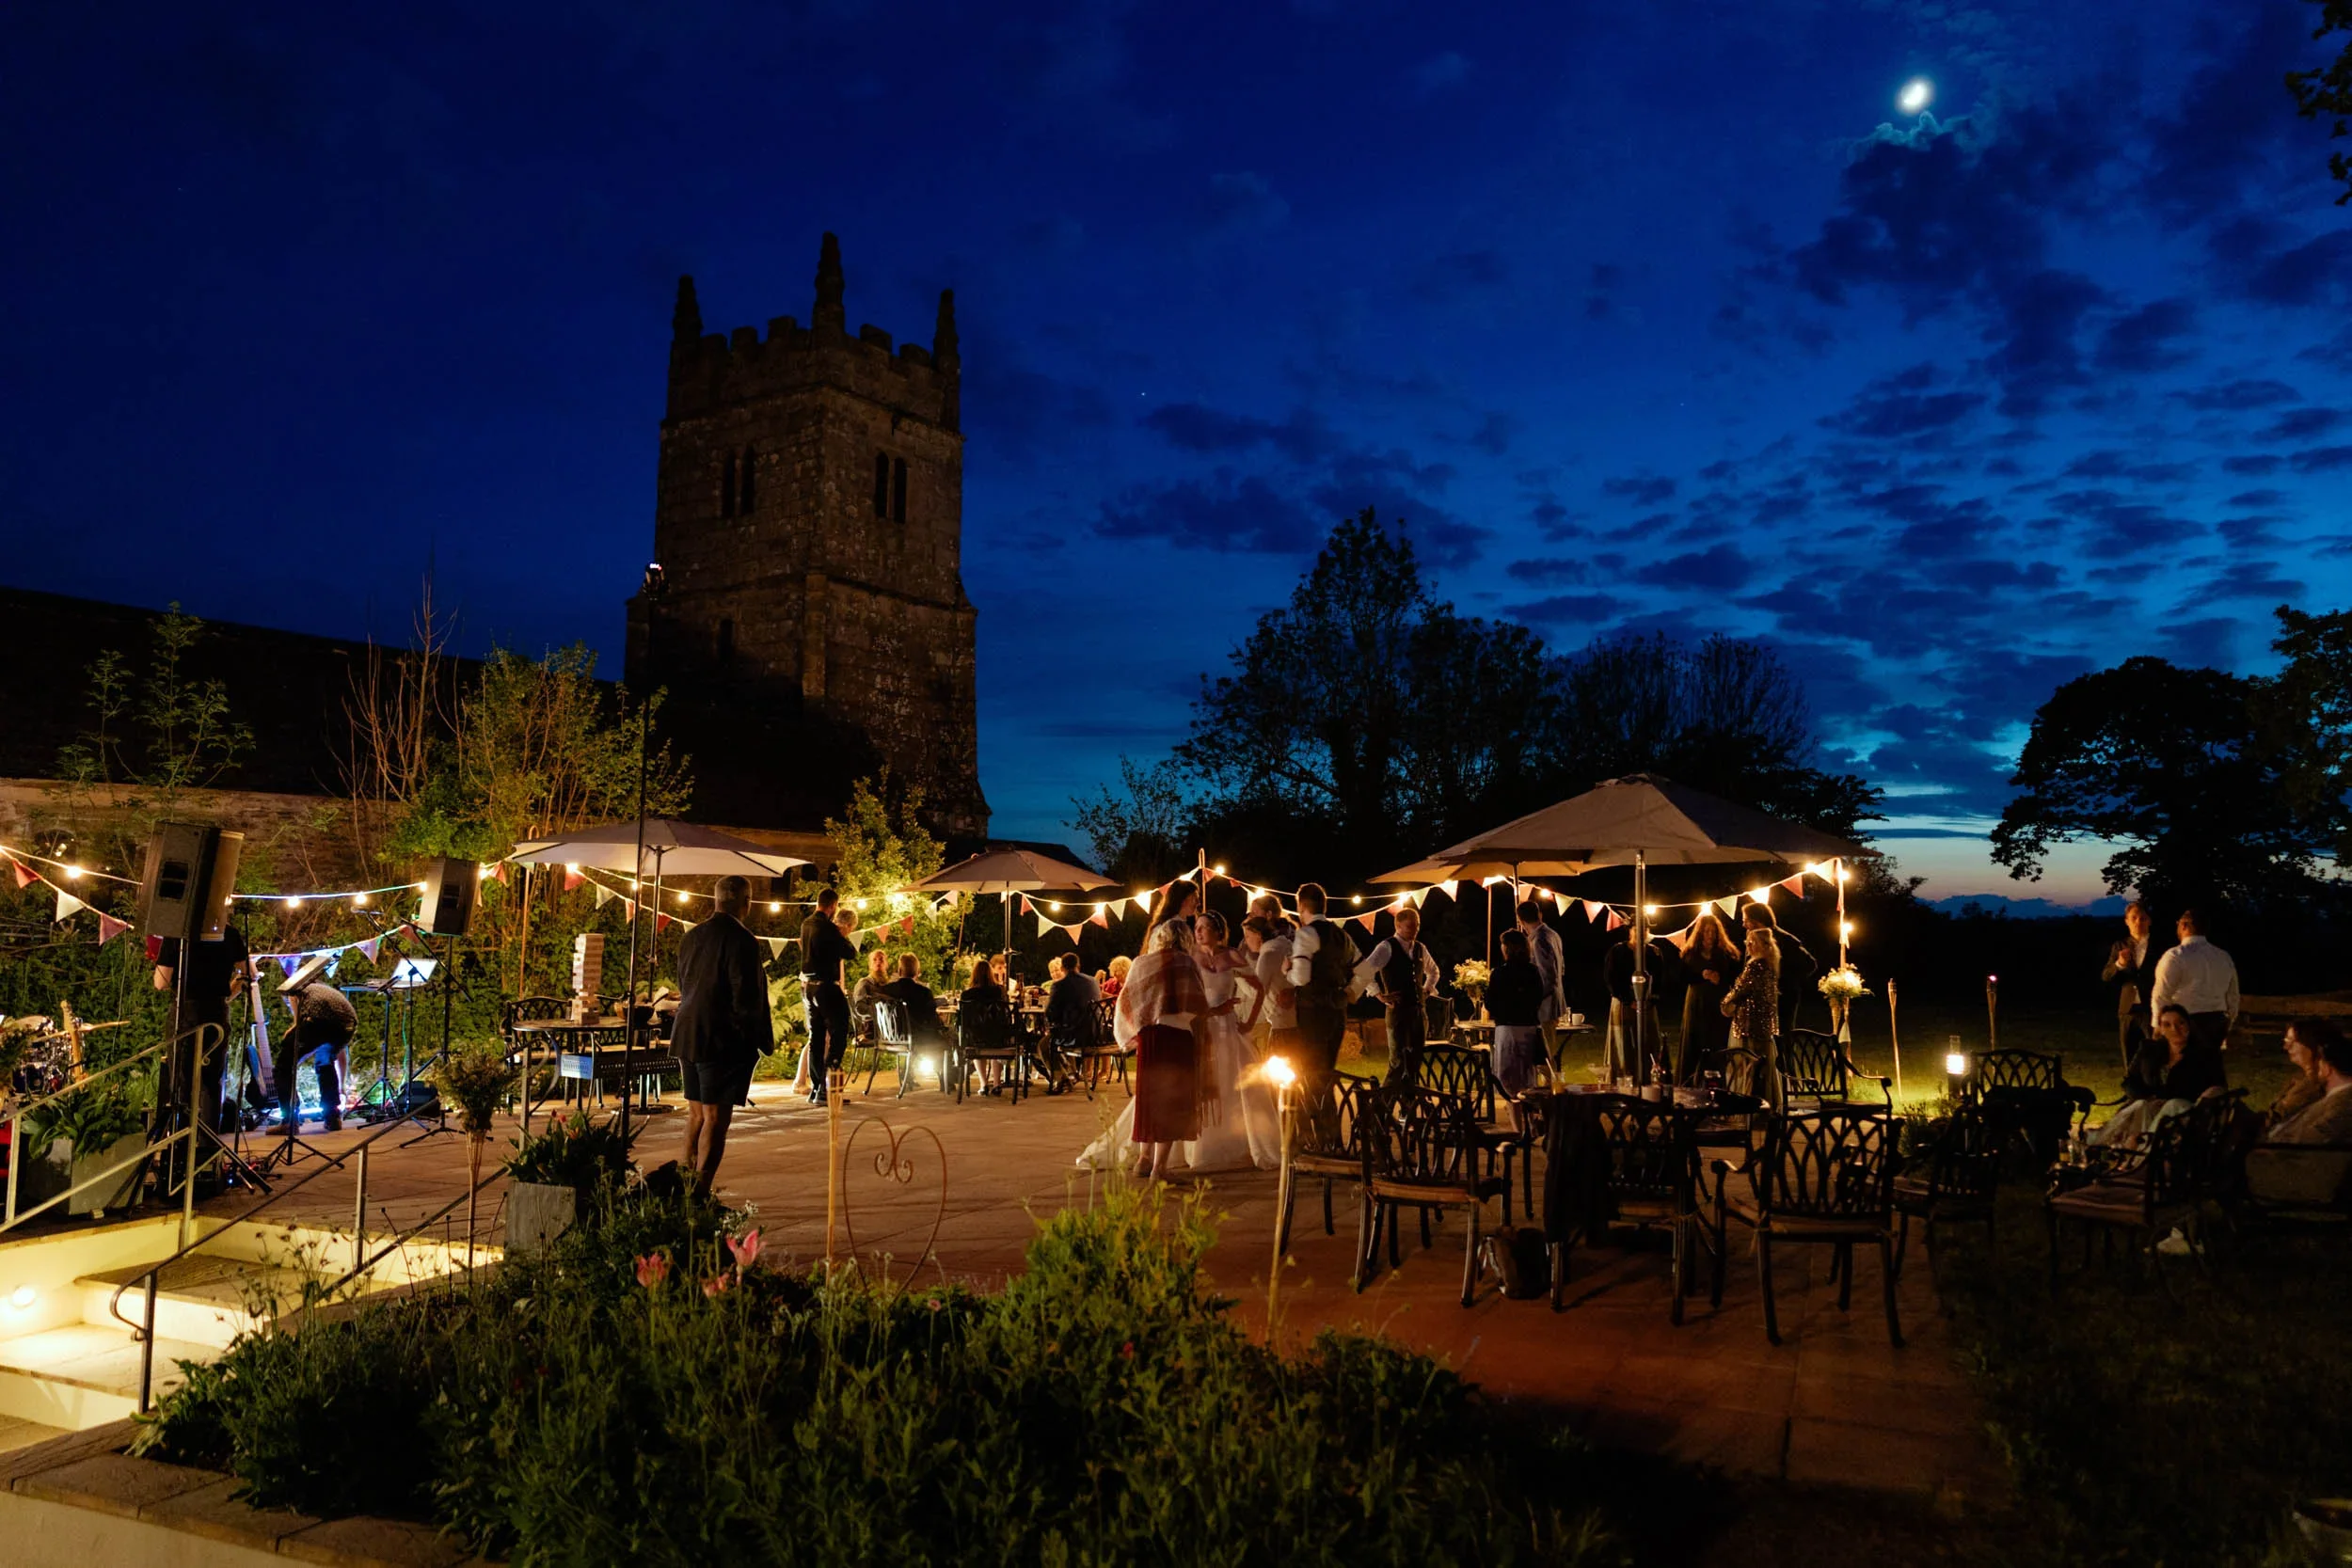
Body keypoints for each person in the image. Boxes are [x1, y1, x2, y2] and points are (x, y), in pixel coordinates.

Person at [1077, 919, 1219, 1180]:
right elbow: (1198, 1003)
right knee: (1173, 1101)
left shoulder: (1142, 963)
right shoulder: (1186, 962)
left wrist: (1136, 1029)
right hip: (1178, 1037)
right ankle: (1160, 1167)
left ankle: (1143, 1159)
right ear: (1185, 939)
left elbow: (1126, 1001)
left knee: (1149, 1099)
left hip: (1150, 1038)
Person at [672, 875, 774, 1194]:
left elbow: (684, 984)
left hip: (687, 1031)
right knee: (716, 1119)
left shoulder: (692, 937)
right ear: (747, 902)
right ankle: (700, 1192)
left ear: (715, 900)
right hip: (720, 1037)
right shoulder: (742, 940)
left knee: (696, 1115)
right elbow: (745, 995)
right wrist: (752, 1037)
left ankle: (683, 1186)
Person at [1178, 911, 1281, 1172]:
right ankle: (1203, 1147)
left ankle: (1238, 1143)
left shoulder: (1233, 955)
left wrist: (1250, 1021)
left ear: (1217, 930)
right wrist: (1210, 1011)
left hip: (1228, 1027)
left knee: (1234, 1084)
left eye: (1204, 928)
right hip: (1202, 1026)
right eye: (1196, 928)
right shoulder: (1191, 956)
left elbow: (1258, 988)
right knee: (1206, 1083)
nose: (1198, 932)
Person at [153, 918, 253, 1139]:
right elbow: (249, 973)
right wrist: (230, 991)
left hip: (185, 1011)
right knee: (212, 1079)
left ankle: (181, 1144)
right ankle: (208, 1146)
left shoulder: (178, 931)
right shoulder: (229, 932)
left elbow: (161, 983)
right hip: (217, 1010)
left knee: (181, 1079)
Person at [2246, 1018, 2352, 1205]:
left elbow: (2315, 1137)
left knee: (2217, 1165)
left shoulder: (2343, 1103)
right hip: (2285, 1157)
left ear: (2327, 1067)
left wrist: (2268, 1147)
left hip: (2297, 1175)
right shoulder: (2334, 1097)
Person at [2090, 1004, 2228, 1147]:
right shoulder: (2149, 1050)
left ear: (2188, 1025)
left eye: (2180, 1023)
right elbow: (2130, 1082)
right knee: (2141, 1106)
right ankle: (2097, 1144)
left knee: (2173, 1105)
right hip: (2149, 1106)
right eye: (2167, 1025)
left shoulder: (2205, 1055)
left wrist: (2164, 1101)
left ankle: (2144, 1152)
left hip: (2182, 1113)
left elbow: (2216, 1088)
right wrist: (2150, 1099)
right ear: (2161, 1029)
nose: (2175, 1029)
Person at [1357, 905, 1440, 1085]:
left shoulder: (1419, 948)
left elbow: (1434, 972)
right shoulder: (1386, 947)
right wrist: (1379, 994)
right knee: (1397, 1063)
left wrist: (1426, 990)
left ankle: (1408, 1105)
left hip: (1418, 1013)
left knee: (1415, 1062)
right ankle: (1381, 1106)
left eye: (1417, 925)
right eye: (1410, 926)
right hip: (1398, 1014)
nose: (1415, 930)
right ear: (1398, 926)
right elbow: (1364, 971)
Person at [1285, 882, 1359, 1075]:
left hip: (1312, 1014)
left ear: (1301, 906)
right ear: (1323, 906)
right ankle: (1328, 1106)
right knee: (1327, 1071)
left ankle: (1317, 1106)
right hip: (1338, 1013)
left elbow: (1301, 978)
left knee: (1310, 1074)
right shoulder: (1343, 935)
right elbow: (1365, 970)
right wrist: (1350, 993)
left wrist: (1287, 971)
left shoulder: (1306, 933)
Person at [2148, 909, 2238, 1058]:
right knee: (2210, 1069)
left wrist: (2159, 1025)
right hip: (2217, 1021)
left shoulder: (2175, 956)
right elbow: (2233, 994)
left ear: (2184, 926)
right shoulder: (2223, 956)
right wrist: (2230, 1020)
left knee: (2185, 1069)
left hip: (2186, 1022)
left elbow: (2161, 995)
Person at [797, 889, 859, 1106]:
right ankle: (827, 1086)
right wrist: (842, 934)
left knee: (816, 1037)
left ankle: (816, 1088)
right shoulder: (829, 928)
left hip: (808, 988)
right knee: (840, 1032)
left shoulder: (806, 924)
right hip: (826, 987)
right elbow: (851, 953)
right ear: (833, 905)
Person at [275, 980, 358, 1135]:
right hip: (348, 1024)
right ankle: (333, 1118)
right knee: (325, 1063)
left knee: (283, 1067)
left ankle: (289, 1122)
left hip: (319, 1021)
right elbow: (339, 1054)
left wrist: (294, 1029)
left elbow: (298, 1018)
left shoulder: (293, 990)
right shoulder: (324, 992)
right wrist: (341, 1086)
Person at [1674, 911, 1741, 1085]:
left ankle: (1718, 1082)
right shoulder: (1690, 953)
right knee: (1695, 1039)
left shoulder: (1726, 953)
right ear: (1700, 932)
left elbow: (1736, 976)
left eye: (1713, 931)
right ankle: (1690, 1081)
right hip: (1697, 1001)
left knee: (1717, 1040)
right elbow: (1680, 978)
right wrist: (1701, 976)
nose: (1710, 935)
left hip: (1718, 1001)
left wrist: (1720, 978)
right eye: (1706, 931)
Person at [1600, 925, 1674, 1083]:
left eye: (1644, 929)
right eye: (1637, 929)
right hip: (1623, 1003)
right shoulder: (1618, 951)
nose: (1640, 933)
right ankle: (1621, 1079)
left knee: (1649, 1041)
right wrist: (1628, 1000)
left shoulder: (1653, 952)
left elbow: (1660, 980)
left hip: (1647, 1004)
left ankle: (1648, 1079)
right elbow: (1611, 978)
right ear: (1630, 931)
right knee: (1623, 1043)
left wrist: (1651, 1000)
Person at [1721, 918, 1781, 1103]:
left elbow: (1739, 991)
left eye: (1752, 942)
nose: (1749, 946)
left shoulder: (1755, 965)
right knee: (1763, 1067)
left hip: (1749, 1024)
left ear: (1762, 945)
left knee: (1746, 1067)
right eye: (1748, 942)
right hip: (1764, 1026)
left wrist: (1725, 1004)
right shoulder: (1770, 966)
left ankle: (1746, 1104)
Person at [2101, 901, 2165, 1069]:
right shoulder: (2120, 946)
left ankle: (2156, 1092)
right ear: (2127, 921)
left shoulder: (2160, 947)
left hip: (2152, 1008)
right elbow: (2106, 976)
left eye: (2142, 918)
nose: (2138, 922)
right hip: (2127, 1010)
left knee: (2155, 1055)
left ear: (2149, 921)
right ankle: (2133, 1092)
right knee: (2129, 1056)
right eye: (2134, 918)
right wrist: (2120, 964)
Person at [1486, 927, 1548, 1097]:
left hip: (1507, 1028)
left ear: (1507, 948)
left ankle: (1515, 1114)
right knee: (1527, 1075)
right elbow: (1538, 997)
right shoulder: (1533, 971)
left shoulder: (1500, 973)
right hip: (1529, 1028)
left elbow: (1490, 1002)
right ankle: (1531, 1116)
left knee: (1507, 1078)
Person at [1742, 902, 1815, 1037]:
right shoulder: (1752, 938)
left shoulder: (1785, 940)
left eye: (1746, 920)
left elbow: (1810, 964)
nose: (1744, 925)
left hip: (1783, 998)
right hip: (1760, 1000)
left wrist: (1782, 980)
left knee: (1782, 1037)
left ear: (1756, 920)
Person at [1516, 899, 1569, 1066]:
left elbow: (1548, 976)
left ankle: (1551, 1089)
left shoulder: (1539, 940)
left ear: (1521, 921)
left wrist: (1532, 1000)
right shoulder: (1552, 934)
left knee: (1543, 1055)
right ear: (1539, 914)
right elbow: (1562, 968)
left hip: (1544, 1006)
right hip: (1552, 1003)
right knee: (1546, 1052)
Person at [1041, 952, 1098, 1092]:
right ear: (1078, 965)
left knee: (1043, 1045)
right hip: (1097, 1034)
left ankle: (1062, 1078)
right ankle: (1072, 1074)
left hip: (1075, 1035)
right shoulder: (1093, 982)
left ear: (1062, 968)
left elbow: (1050, 1012)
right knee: (1059, 1035)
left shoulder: (1060, 985)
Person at [2269, 1018, 2333, 1124]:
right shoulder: (2301, 1077)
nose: (2286, 1047)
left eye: (2291, 1041)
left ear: (2311, 1045)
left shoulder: (2317, 1087)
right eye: (2286, 1041)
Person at [883, 954, 946, 1050]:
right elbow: (931, 1020)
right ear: (918, 972)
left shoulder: (886, 990)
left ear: (899, 971)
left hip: (889, 1036)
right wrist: (941, 1021)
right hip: (918, 1037)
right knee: (949, 1036)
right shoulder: (924, 993)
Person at [850, 949, 891, 1048]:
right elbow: (859, 1007)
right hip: (873, 1029)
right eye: (874, 960)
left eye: (881, 960)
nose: (878, 962)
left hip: (889, 1028)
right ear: (870, 965)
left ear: (886, 964)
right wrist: (880, 1014)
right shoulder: (864, 983)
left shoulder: (889, 986)